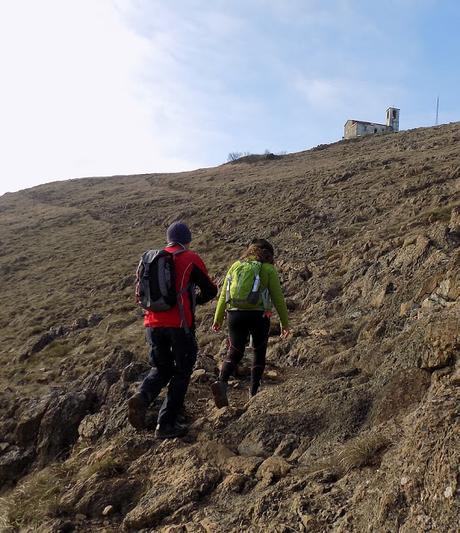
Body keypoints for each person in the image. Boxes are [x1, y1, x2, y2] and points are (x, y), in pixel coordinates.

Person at [128, 221, 217, 438]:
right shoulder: (189, 258)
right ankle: (165, 424)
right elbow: (210, 290)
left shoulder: (151, 259)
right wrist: (193, 301)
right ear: (187, 239)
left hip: (152, 324)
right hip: (179, 326)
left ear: (168, 239)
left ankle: (143, 395)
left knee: (161, 368)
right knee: (182, 372)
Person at [211, 238, 290, 408]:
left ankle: (222, 383)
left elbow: (224, 295)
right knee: (259, 352)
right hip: (258, 316)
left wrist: (217, 318)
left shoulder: (235, 266)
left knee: (235, 351)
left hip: (234, 314)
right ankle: (253, 393)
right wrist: (285, 323)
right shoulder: (268, 269)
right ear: (268, 254)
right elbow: (278, 298)